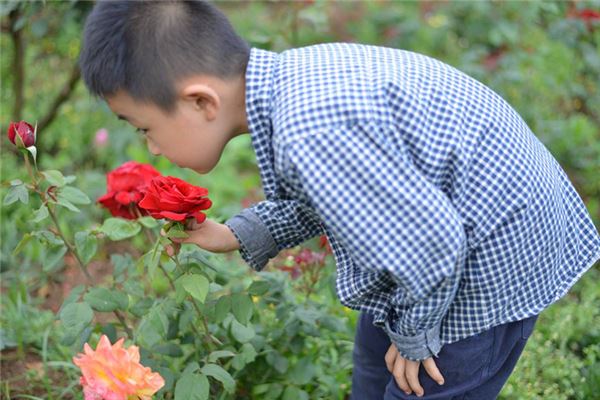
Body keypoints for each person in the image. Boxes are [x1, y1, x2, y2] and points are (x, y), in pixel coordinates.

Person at [79, 1, 600, 398]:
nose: (151, 147)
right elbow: (341, 195)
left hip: (488, 258)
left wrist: (416, 335)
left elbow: (435, 244)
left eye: (147, 128)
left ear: (200, 101)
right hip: (447, 234)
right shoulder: (290, 86)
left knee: (425, 378)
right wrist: (238, 233)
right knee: (376, 367)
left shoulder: (310, 130)